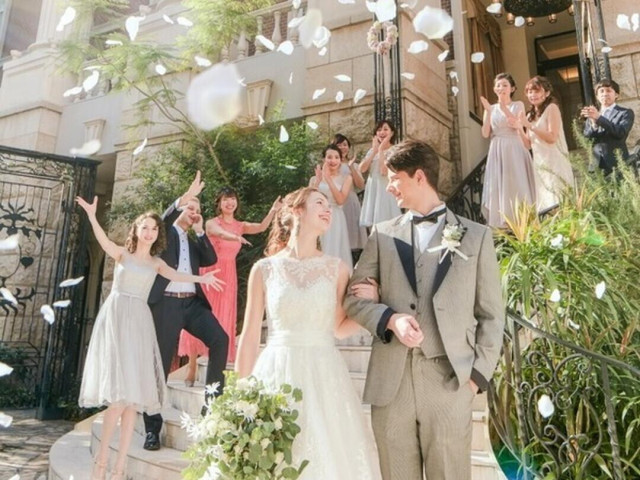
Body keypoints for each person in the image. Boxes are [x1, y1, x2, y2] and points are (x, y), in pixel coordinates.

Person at [344, 140, 505, 480]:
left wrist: (476, 378)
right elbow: (353, 300)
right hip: (392, 384)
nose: (388, 186)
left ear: (419, 176)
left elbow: (492, 315)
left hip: (450, 383)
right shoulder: (382, 235)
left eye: (394, 178)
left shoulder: (476, 237)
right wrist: (390, 319)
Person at [235, 187, 382, 480]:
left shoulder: (337, 269)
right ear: (297, 211)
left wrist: (374, 303)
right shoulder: (264, 269)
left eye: (328, 205)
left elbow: (339, 328)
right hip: (276, 370)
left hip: (323, 374)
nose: (328, 209)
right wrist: (240, 393)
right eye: (319, 203)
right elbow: (250, 335)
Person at [76, 197, 222, 480]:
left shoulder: (156, 263)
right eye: (145, 227)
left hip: (140, 323)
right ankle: (101, 463)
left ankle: (119, 469)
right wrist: (92, 216)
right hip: (117, 319)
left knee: (131, 402)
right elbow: (104, 241)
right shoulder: (122, 254)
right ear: (136, 229)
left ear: (158, 234)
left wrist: (202, 280)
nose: (150, 232)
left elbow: (178, 274)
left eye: (154, 229)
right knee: (118, 400)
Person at [142, 171, 229, 451]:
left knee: (220, 339)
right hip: (166, 305)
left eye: (197, 210)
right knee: (159, 364)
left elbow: (210, 258)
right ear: (181, 208)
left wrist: (201, 230)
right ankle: (152, 430)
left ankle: (212, 406)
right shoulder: (164, 235)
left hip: (192, 305)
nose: (194, 213)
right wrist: (185, 198)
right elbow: (164, 218)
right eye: (190, 208)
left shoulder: (193, 241)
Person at [178, 187, 282, 385]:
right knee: (202, 315)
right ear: (219, 203)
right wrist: (234, 237)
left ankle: (216, 370)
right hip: (210, 273)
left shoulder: (240, 225)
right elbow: (218, 233)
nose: (229, 203)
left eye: (232, 199)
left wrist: (273, 211)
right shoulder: (211, 223)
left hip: (228, 276)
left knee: (223, 318)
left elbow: (261, 227)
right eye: (226, 199)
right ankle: (191, 366)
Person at [480, 72, 537, 228]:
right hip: (497, 148)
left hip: (514, 146)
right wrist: (489, 111)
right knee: (498, 184)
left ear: (512, 88)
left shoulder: (518, 105)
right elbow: (485, 133)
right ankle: (502, 222)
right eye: (498, 85)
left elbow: (515, 123)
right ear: (494, 89)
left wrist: (503, 107)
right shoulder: (490, 109)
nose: (501, 88)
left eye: (505, 85)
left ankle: (523, 219)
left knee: (517, 181)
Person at [516, 75, 575, 212]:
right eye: (530, 92)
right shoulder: (530, 115)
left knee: (558, 198)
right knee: (545, 201)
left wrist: (529, 126)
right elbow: (528, 145)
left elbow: (552, 137)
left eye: (536, 91)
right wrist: (519, 127)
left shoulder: (552, 108)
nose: (532, 95)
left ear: (547, 93)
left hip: (555, 161)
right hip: (540, 163)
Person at [309, 144, 354, 269]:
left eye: (336, 157)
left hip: (335, 217)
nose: (333, 160)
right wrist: (318, 181)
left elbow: (340, 200)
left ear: (340, 160)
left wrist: (328, 179)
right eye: (329, 157)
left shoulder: (346, 178)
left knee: (335, 249)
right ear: (324, 159)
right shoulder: (314, 179)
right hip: (317, 217)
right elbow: (308, 200)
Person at [581, 79, 635, 176]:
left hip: (618, 163)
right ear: (597, 96)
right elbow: (587, 139)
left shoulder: (625, 113)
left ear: (616, 95)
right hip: (597, 165)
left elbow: (620, 132)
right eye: (601, 91)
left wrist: (599, 118)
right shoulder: (592, 115)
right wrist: (594, 124)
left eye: (608, 91)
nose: (605, 94)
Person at [359, 119, 401, 228]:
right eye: (379, 130)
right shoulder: (372, 150)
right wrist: (374, 151)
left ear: (392, 133)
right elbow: (362, 169)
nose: (382, 132)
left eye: (385, 129)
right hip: (373, 188)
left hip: (385, 190)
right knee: (373, 226)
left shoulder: (395, 150)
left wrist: (381, 150)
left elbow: (384, 171)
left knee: (387, 224)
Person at [333, 133, 368, 258]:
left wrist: (351, 167)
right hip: (336, 201)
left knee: (352, 235)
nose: (342, 147)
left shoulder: (354, 165)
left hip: (351, 201)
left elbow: (361, 185)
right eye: (339, 145)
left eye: (345, 145)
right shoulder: (331, 164)